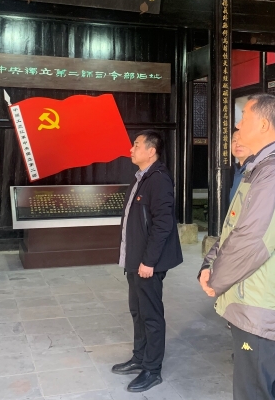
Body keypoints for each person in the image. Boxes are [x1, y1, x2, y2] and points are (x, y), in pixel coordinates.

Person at [198, 94, 275, 400]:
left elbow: (252, 240)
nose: (237, 125)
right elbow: (233, 227)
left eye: (244, 118)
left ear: (264, 125)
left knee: (253, 390)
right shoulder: (261, 168)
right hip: (254, 297)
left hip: (260, 302)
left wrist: (216, 278)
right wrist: (209, 263)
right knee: (268, 386)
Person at [112, 130, 183, 393]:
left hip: (148, 263)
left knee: (151, 315)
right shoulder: (140, 178)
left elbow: (163, 224)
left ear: (151, 151)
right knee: (137, 311)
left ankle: (152, 369)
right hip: (135, 259)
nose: (131, 149)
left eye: (136, 145)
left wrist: (149, 261)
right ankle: (139, 357)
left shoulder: (159, 179)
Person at [228, 130, 251, 203]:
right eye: (234, 140)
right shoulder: (231, 171)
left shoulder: (258, 170)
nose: (238, 144)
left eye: (242, 140)